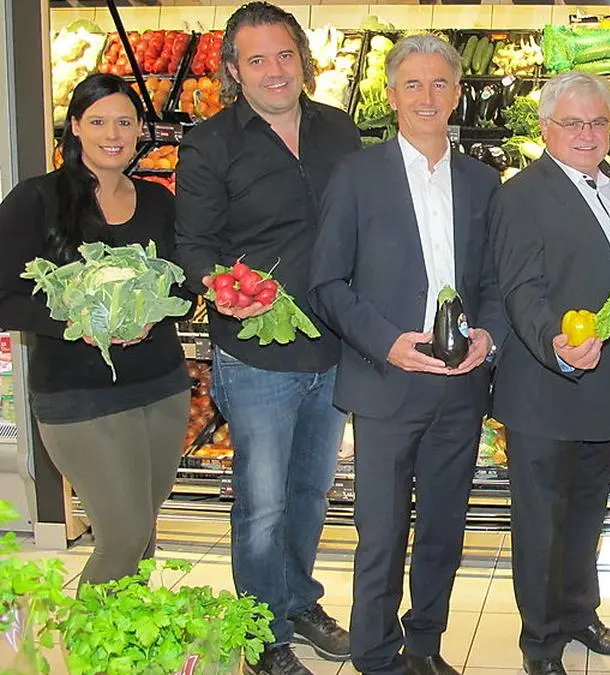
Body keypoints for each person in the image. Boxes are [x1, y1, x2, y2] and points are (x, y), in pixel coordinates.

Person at [308, 34, 505, 675]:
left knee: (444, 531)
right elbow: (327, 283)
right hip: (386, 382)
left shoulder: (482, 180)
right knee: (382, 533)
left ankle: (424, 647)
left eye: (439, 83)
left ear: (458, 93)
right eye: (412, 84)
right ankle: (374, 655)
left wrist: (489, 334)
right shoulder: (356, 176)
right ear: (391, 96)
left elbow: (496, 279)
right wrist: (387, 342)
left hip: (460, 384)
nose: (427, 96)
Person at [174, 3, 360, 673]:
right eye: (257, 59)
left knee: (310, 491)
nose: (274, 70)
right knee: (262, 502)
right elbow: (194, 244)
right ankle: (262, 632)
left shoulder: (339, 129)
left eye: (284, 54)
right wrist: (219, 285)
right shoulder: (210, 143)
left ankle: (299, 600)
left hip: (332, 345)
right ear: (234, 68)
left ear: (302, 59)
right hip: (256, 354)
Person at [0, 74, 191, 586]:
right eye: (99, 121)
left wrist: (159, 311)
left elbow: (184, 285)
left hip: (161, 387)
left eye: (125, 122)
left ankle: (130, 633)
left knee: (142, 535)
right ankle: (91, 632)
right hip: (79, 395)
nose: (113, 134)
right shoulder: (38, 199)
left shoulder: (158, 201)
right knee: (123, 537)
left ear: (140, 130)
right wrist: (73, 322)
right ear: (76, 127)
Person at [489, 71, 610, 675]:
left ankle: (580, 614)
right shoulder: (521, 195)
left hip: (606, 385)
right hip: (546, 387)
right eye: (573, 122)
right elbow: (520, 289)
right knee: (541, 526)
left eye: (599, 122)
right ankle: (541, 644)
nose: (587, 133)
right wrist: (556, 342)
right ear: (546, 127)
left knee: (586, 515)